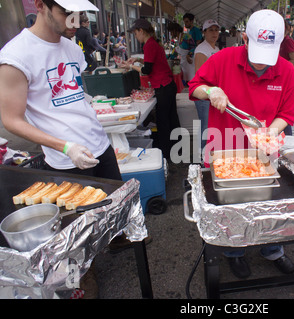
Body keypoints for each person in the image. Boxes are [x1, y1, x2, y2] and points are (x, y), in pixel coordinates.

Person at [0, 0, 125, 298]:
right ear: (41, 5)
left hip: (98, 142)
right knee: (76, 230)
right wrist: (65, 145)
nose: (75, 21)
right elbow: (11, 119)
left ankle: (119, 239)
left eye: (79, 14)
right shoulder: (16, 56)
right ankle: (82, 278)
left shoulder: (71, 46)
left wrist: (91, 108)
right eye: (67, 13)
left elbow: (74, 92)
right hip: (65, 157)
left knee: (115, 204)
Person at [189, 9, 294, 279]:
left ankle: (272, 249)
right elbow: (195, 86)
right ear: (245, 39)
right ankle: (234, 252)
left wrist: (268, 132)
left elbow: (286, 114)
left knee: (270, 204)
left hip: (263, 151)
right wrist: (212, 90)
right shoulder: (223, 59)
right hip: (224, 148)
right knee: (231, 207)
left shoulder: (286, 72)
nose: (262, 64)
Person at [123, 19, 180, 162]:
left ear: (141, 31)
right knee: (172, 119)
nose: (135, 36)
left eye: (135, 33)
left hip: (162, 87)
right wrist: (137, 60)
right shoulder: (154, 44)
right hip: (168, 85)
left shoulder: (149, 45)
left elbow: (146, 70)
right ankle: (177, 150)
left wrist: (130, 66)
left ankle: (166, 155)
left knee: (163, 122)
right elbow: (151, 63)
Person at [193, 19, 220, 154]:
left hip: (214, 93)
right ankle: (202, 156)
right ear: (204, 32)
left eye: (216, 30)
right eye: (211, 30)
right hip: (205, 94)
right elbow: (199, 76)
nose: (214, 33)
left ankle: (208, 153)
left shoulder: (216, 48)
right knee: (205, 126)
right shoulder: (201, 50)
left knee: (211, 126)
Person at [280, 18, 294, 136]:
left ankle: (287, 139)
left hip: (290, 81)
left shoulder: (288, 41)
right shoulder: (282, 41)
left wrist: (278, 65)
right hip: (284, 80)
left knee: (284, 112)